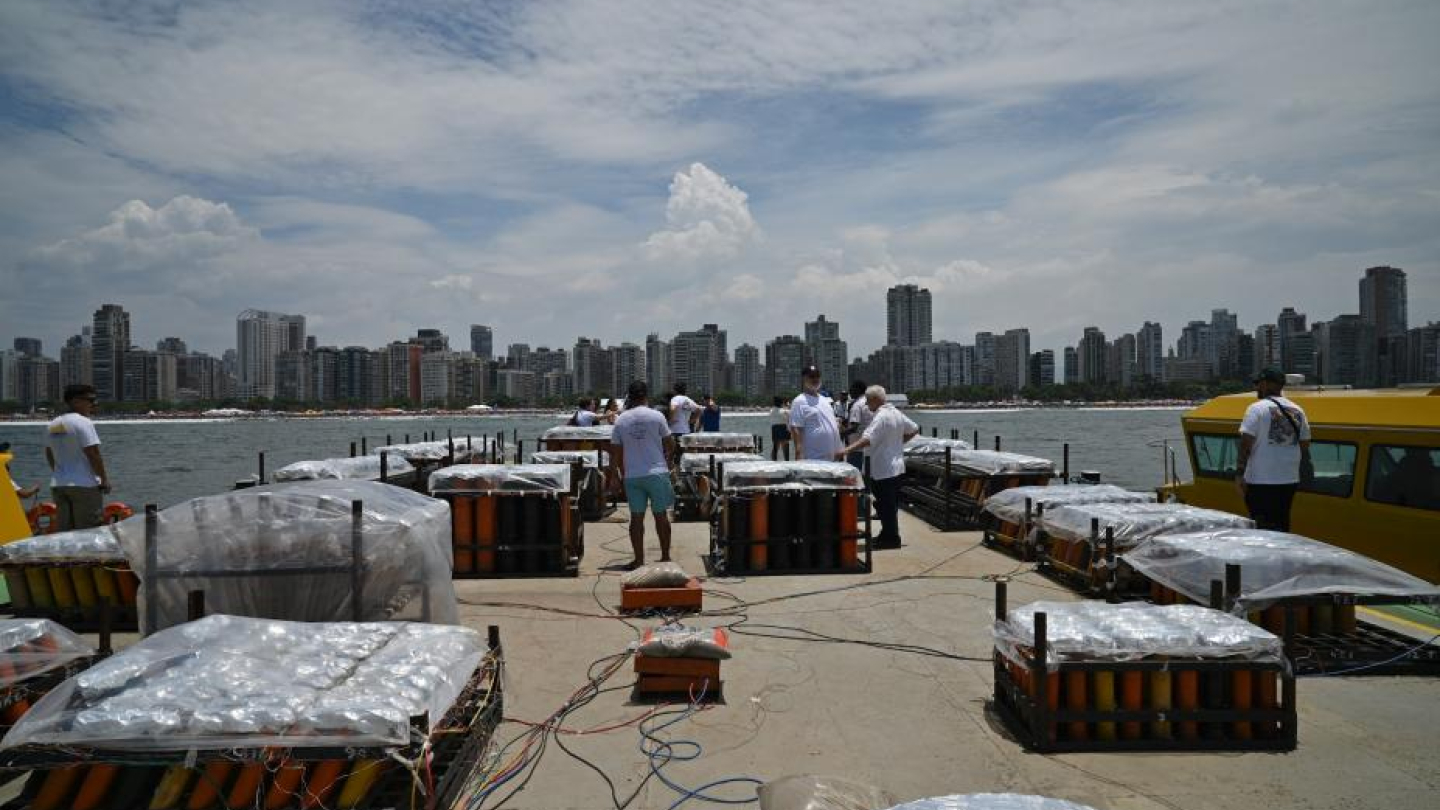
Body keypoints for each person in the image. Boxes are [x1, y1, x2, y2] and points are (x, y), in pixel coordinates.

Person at [837, 385, 919, 548]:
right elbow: (914, 429)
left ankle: (891, 539)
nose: (867, 405)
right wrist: (898, 443)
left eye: (868, 401)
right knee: (890, 505)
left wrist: (846, 450)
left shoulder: (881, 416)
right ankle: (887, 534)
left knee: (884, 505)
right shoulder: (895, 413)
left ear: (875, 400)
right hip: (896, 467)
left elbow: (867, 438)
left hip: (883, 468)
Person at [1237, 367, 1311, 531]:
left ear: (1265, 384)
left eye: (1258, 383)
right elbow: (1305, 444)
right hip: (1289, 480)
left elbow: (1246, 442)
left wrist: (1239, 474)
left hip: (1261, 481)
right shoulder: (1298, 410)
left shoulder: (1256, 408)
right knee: (1282, 523)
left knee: (1261, 526)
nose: (1257, 387)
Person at [612, 380, 676, 568]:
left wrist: (615, 477)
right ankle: (665, 557)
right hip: (657, 472)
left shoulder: (621, 420)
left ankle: (639, 560)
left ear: (629, 397)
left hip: (632, 475)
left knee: (636, 517)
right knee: (661, 515)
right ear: (646, 395)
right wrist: (668, 459)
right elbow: (670, 443)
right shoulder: (657, 416)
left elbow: (615, 453)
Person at [44, 384, 110, 531]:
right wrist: (104, 480)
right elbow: (93, 453)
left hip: (59, 485)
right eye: (90, 400)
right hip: (84, 485)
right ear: (75, 401)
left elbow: (49, 452)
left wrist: (58, 471)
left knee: (66, 532)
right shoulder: (83, 422)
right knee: (89, 530)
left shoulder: (53, 424)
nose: (93, 404)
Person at [789, 366, 843, 461]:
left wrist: (840, 450)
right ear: (804, 379)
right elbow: (796, 429)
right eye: (812, 376)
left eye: (818, 376)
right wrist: (798, 455)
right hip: (813, 458)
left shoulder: (825, 400)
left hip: (833, 458)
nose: (815, 379)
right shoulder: (799, 401)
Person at [843, 379, 872, 471]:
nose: (849, 392)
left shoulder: (857, 405)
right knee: (866, 474)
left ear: (858, 390)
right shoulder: (868, 402)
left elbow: (854, 428)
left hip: (856, 448)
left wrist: (839, 434)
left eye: (851, 389)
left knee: (853, 476)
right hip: (869, 447)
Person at [769, 397, 792, 461]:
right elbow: (790, 415)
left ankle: (774, 460)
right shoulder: (784, 411)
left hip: (774, 428)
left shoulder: (771, 410)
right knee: (785, 446)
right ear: (781, 403)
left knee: (775, 446)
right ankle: (787, 461)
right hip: (783, 427)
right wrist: (787, 406)